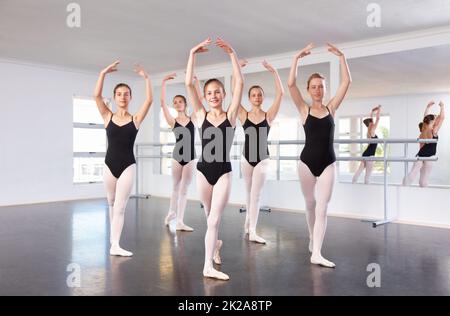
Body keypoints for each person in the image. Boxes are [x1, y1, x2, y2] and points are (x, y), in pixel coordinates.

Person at [288, 43, 351, 268]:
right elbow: (291, 84)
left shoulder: (331, 108)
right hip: (306, 163)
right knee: (310, 204)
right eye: (314, 87)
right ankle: (312, 239)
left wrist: (342, 57)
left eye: (321, 87)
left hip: (328, 164)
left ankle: (317, 252)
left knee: (323, 206)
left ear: (324, 89)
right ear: (309, 90)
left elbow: (347, 82)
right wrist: (296, 58)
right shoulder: (303, 110)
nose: (317, 90)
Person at [185, 37, 244, 280]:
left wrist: (232, 54)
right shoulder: (200, 115)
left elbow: (239, 82)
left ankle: (207, 266)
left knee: (214, 219)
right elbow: (188, 83)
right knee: (210, 217)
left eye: (217, 92)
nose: (213, 96)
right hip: (202, 172)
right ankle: (216, 246)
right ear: (205, 96)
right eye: (209, 93)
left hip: (223, 173)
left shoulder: (231, 115)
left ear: (223, 94)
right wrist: (192, 53)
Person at [94, 61, 153, 257]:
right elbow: (96, 96)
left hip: (127, 165)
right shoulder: (107, 116)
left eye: (126, 94)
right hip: (108, 166)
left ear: (130, 97)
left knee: (120, 206)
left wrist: (146, 78)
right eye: (119, 94)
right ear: (114, 97)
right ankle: (113, 242)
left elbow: (150, 101)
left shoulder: (135, 119)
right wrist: (103, 73)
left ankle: (116, 245)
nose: (122, 97)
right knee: (111, 203)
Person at [237, 60, 284, 244]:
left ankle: (253, 230)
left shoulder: (268, 115)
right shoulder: (243, 115)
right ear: (249, 98)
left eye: (259, 95)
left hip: (262, 158)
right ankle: (248, 222)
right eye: (254, 95)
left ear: (263, 98)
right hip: (246, 158)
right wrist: (238, 70)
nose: (256, 97)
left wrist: (274, 72)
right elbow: (234, 92)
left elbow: (281, 93)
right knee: (249, 194)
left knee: (256, 194)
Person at [161, 73, 196, 232]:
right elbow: (162, 102)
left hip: (190, 157)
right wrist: (163, 82)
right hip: (177, 156)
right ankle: (171, 213)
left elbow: (199, 100)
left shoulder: (193, 118)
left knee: (185, 189)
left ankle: (180, 221)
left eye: (180, 101)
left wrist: (195, 84)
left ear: (185, 104)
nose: (177, 104)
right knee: (175, 187)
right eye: (175, 102)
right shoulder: (172, 121)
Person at [403, 101, 445, 187]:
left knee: (412, 173)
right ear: (432, 122)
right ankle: (422, 193)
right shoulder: (434, 131)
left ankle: (403, 187)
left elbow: (425, 118)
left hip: (420, 155)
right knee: (423, 180)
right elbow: (442, 118)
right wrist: (442, 106)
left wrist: (427, 107)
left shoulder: (423, 130)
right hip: (429, 157)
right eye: (435, 118)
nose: (437, 119)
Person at [352, 105, 381, 184]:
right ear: (371, 124)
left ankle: (353, 183)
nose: (373, 122)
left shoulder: (368, 132)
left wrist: (372, 111)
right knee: (368, 175)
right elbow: (378, 119)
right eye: (372, 122)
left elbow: (373, 119)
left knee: (359, 171)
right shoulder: (372, 131)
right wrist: (379, 109)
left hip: (365, 154)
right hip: (370, 155)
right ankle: (366, 188)